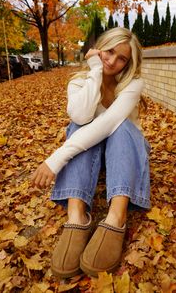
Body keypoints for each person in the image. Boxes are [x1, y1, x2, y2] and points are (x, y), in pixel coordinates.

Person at [31, 27, 151, 278]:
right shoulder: (78, 81)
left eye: (122, 59)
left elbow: (108, 124)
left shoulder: (132, 83)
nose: (113, 62)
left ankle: (116, 216)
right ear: (99, 49)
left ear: (129, 63)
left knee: (119, 126)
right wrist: (95, 71)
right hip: (95, 151)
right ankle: (77, 215)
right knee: (79, 124)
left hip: (126, 150)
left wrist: (56, 159)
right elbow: (80, 116)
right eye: (109, 52)